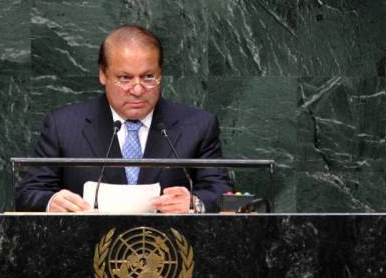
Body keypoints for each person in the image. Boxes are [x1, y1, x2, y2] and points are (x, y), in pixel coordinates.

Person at [16, 24, 232, 213]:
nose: (137, 89)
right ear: (103, 74)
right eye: (125, 78)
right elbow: (28, 193)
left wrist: (195, 203)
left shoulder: (198, 126)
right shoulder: (63, 126)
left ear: (161, 73)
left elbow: (221, 192)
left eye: (148, 77)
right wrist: (51, 201)